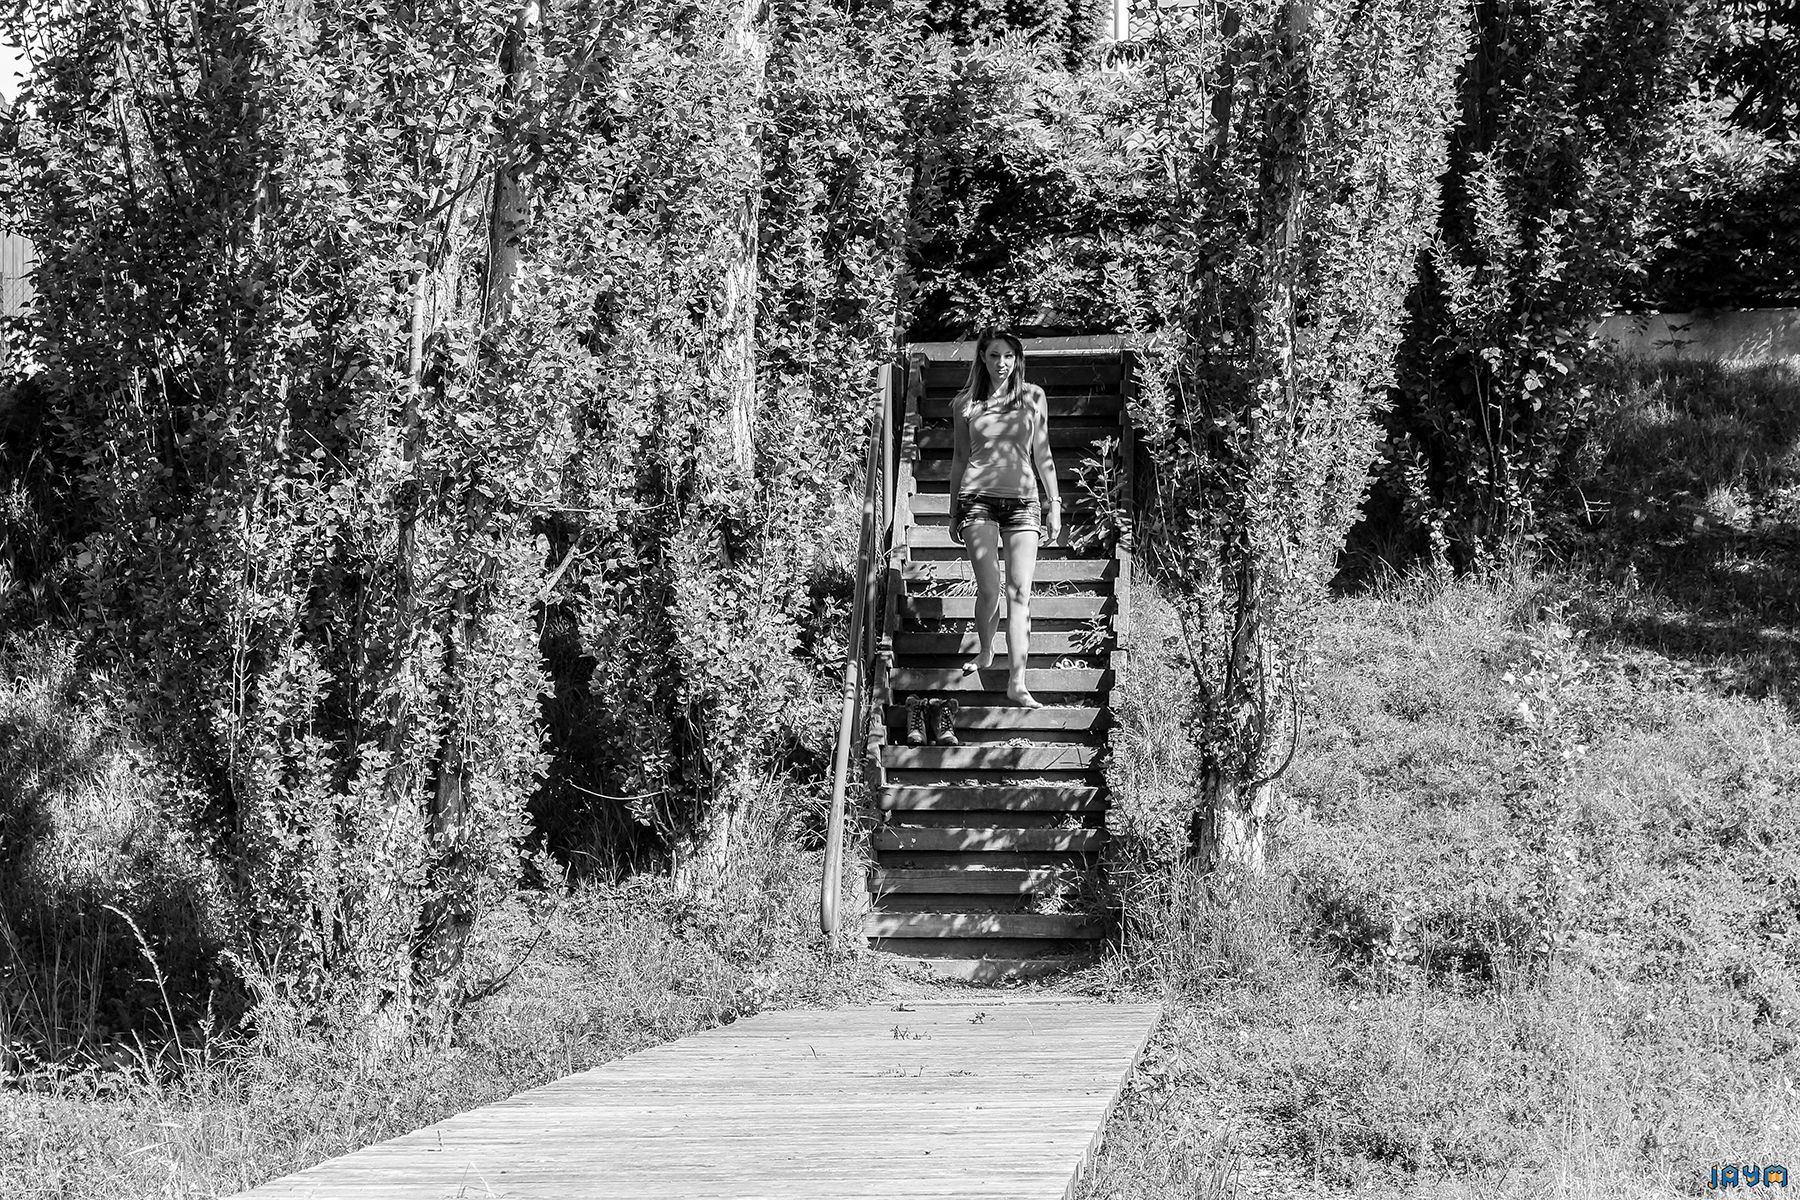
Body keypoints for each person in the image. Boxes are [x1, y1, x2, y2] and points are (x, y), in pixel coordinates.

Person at [947, 330, 1062, 709]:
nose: (1001, 363)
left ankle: (1017, 681)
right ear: (982, 357)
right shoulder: (965, 404)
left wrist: (1054, 503)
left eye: (1008, 355)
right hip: (977, 499)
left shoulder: (1033, 397)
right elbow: (960, 459)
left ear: (1017, 359)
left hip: (1024, 501)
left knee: (1020, 593)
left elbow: (1042, 452)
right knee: (990, 587)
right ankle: (985, 650)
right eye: (994, 355)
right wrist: (952, 510)